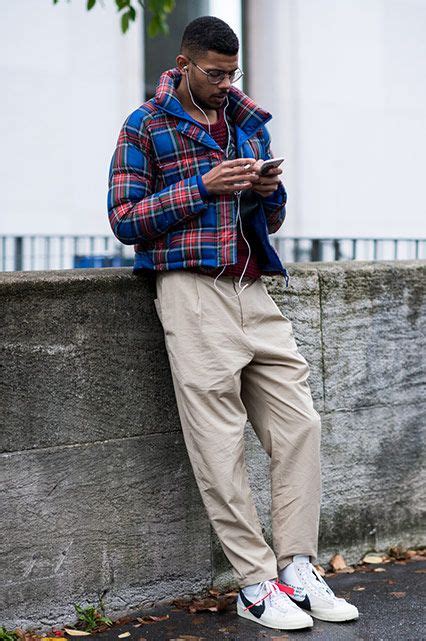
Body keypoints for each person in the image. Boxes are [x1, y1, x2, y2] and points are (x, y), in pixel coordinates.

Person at [107, 15, 359, 632]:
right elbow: (125, 220)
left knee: (300, 422)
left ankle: (296, 565)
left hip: (253, 288)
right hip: (192, 291)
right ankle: (254, 582)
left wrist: (267, 187)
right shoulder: (146, 126)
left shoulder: (246, 122)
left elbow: (269, 222)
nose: (225, 83)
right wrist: (201, 185)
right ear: (186, 63)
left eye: (232, 72)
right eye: (215, 73)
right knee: (218, 443)